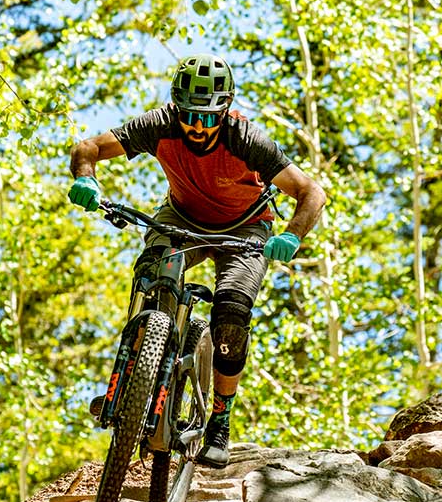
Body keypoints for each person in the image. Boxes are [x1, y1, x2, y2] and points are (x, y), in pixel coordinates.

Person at [69, 53, 326, 468]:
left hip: (243, 229)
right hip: (181, 217)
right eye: (190, 115)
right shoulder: (160, 125)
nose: (198, 126)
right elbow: (89, 147)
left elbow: (311, 192)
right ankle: (135, 376)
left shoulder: (246, 139)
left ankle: (219, 420)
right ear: (177, 106)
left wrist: (291, 236)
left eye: (209, 117)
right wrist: (86, 177)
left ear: (225, 111)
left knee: (231, 312)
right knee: (153, 273)